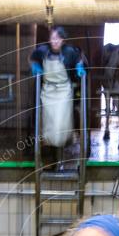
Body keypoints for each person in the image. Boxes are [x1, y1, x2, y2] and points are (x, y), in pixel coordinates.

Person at [30, 26, 86, 166]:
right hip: (48, 90)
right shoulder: (42, 50)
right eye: (52, 38)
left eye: (58, 38)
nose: (55, 41)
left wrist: (80, 67)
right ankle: (50, 151)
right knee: (48, 121)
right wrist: (35, 66)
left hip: (63, 90)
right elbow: (32, 58)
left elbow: (80, 60)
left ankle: (61, 145)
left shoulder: (70, 52)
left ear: (63, 40)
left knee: (61, 121)